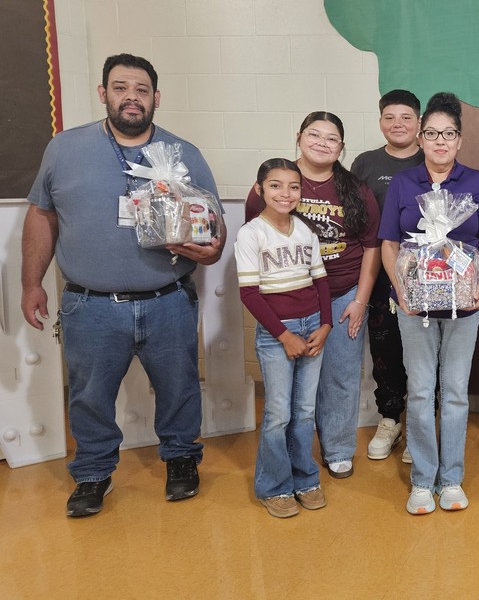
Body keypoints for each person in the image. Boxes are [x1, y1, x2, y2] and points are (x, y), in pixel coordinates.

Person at [21, 53, 223, 517]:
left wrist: (212, 248)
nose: (131, 97)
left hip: (168, 299)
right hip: (89, 305)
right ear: (103, 93)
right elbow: (41, 215)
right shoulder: (65, 149)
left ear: (156, 98)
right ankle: (92, 474)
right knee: (88, 395)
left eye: (141, 90)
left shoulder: (183, 154)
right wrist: (32, 282)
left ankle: (181, 460)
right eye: (120, 87)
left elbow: (213, 220)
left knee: (180, 388)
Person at [379, 92, 479, 514]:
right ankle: (422, 480)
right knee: (420, 388)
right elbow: (389, 244)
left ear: (459, 140)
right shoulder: (403, 185)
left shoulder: (475, 183)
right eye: (432, 133)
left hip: (464, 305)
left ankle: (451, 479)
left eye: (448, 134)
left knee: (454, 392)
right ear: (421, 139)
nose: (440, 141)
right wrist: (402, 291)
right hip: (415, 307)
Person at [244, 112, 380, 480]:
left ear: (341, 147)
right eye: (314, 134)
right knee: (290, 392)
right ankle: (289, 457)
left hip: (342, 295)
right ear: (299, 137)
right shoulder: (274, 185)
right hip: (288, 300)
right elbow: (255, 245)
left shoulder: (356, 189)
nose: (322, 142)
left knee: (340, 374)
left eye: (331, 138)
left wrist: (360, 300)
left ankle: (337, 449)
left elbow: (371, 247)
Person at [236, 159, 333, 517]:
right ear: (260, 188)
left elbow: (320, 281)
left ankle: (305, 478)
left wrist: (325, 325)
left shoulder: (305, 230)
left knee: (305, 412)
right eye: (275, 185)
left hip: (312, 327)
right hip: (279, 332)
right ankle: (274, 486)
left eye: (293, 186)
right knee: (278, 412)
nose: (285, 193)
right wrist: (284, 335)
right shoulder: (251, 233)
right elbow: (250, 295)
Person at [351, 90, 425, 463]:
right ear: (381, 121)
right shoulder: (365, 163)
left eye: (406, 117)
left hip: (429, 276)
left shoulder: (433, 159)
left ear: (419, 122)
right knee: (384, 347)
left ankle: (421, 425)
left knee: (427, 353)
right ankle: (389, 418)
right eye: (390, 117)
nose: (398, 124)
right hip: (378, 275)